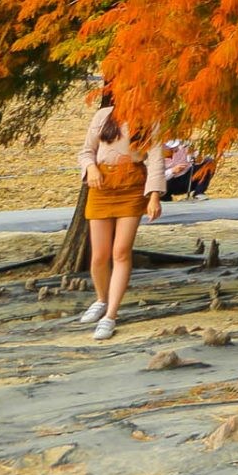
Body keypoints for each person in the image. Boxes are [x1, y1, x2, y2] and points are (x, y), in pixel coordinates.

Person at [78, 88, 164, 339]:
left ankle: (110, 315)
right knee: (99, 255)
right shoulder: (103, 116)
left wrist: (154, 196)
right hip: (102, 186)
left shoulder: (151, 119)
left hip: (132, 186)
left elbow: (156, 159)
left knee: (121, 252)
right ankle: (101, 299)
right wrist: (91, 168)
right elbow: (85, 151)